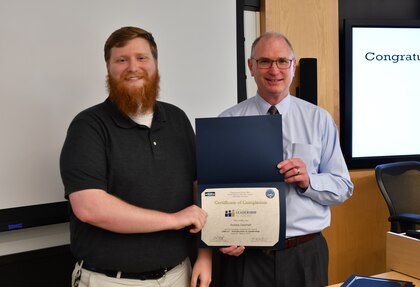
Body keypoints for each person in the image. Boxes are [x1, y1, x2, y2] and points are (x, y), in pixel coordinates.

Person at [60, 26, 211, 287]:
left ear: (155, 64)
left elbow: (201, 188)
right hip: (110, 281)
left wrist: (206, 255)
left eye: (142, 58)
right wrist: (174, 220)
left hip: (179, 274)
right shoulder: (88, 126)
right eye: (121, 59)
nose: (133, 67)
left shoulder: (177, 119)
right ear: (109, 68)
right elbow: (89, 208)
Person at [218, 32, 354, 287]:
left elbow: (343, 187)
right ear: (251, 66)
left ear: (293, 66)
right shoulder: (227, 121)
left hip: (304, 253)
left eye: (282, 61)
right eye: (265, 61)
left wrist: (308, 182)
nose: (274, 70)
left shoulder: (319, 120)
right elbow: (217, 191)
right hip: (247, 257)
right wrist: (223, 233)